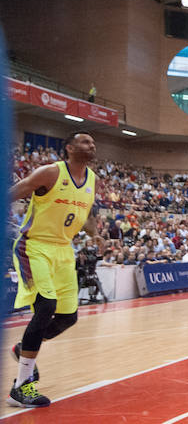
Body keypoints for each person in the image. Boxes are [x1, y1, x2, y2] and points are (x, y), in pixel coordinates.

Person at [8, 132, 102, 407]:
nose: (91, 145)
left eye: (93, 143)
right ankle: (21, 387)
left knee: (67, 317)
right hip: (34, 246)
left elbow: (86, 214)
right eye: (85, 142)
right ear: (70, 149)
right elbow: (16, 191)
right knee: (46, 306)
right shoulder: (50, 173)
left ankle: (22, 349)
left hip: (63, 250)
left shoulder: (92, 180)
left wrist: (95, 234)